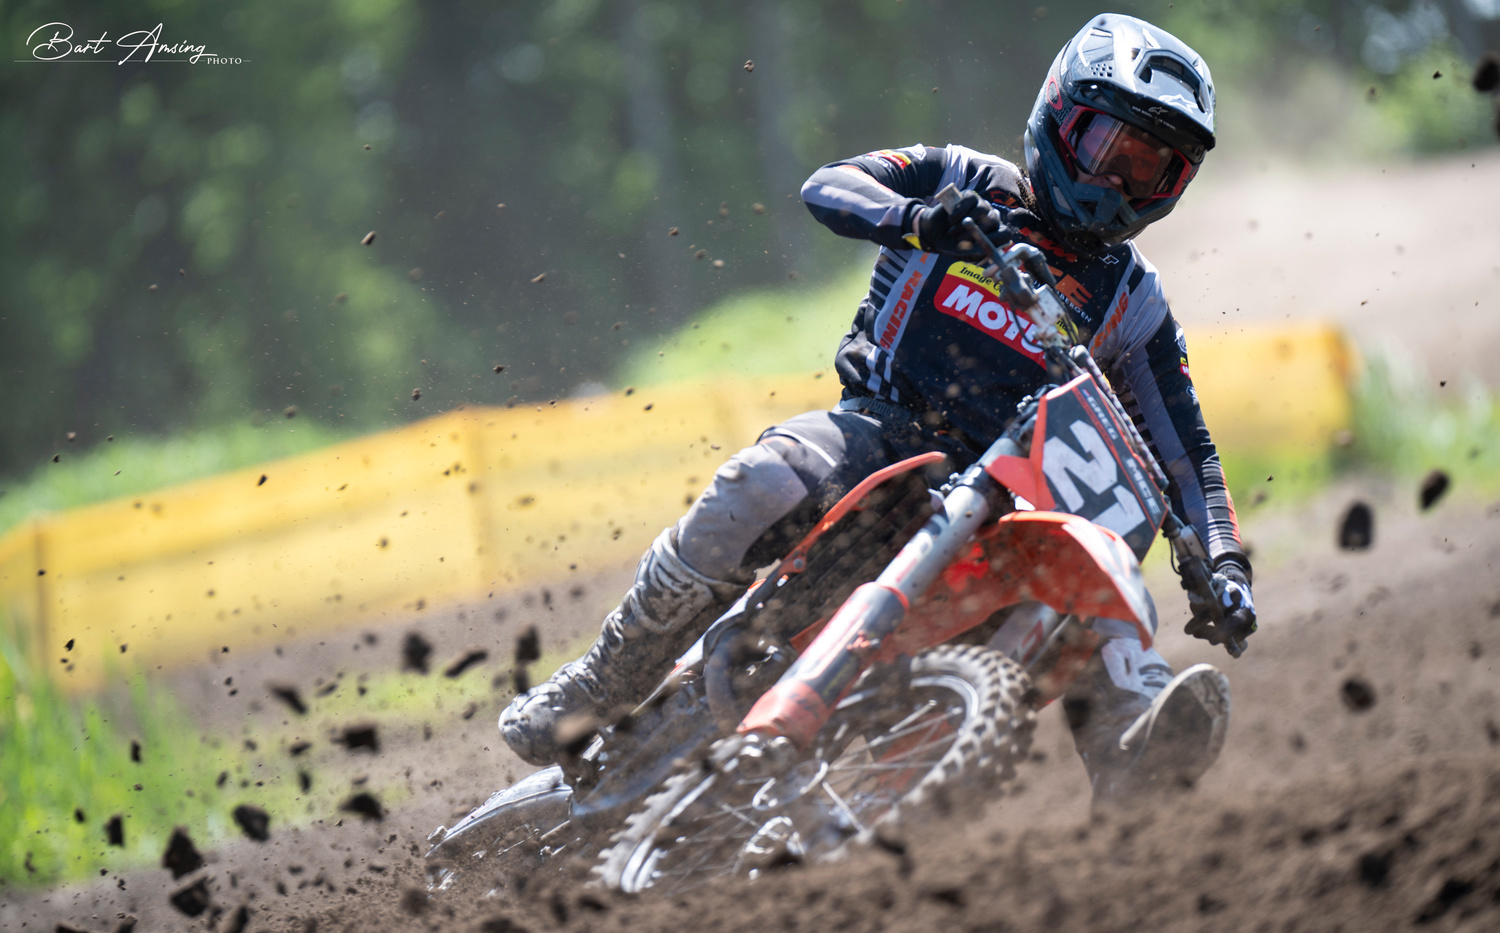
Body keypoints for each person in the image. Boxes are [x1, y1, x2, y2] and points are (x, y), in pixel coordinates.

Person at [501, 13, 1256, 803]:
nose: (1121, 184)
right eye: (1111, 151)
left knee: (1091, 577)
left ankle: (1132, 748)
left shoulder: (1134, 300)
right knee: (762, 479)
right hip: (885, 439)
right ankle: (602, 681)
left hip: (1012, 509)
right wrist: (918, 220)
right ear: (1059, 116)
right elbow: (827, 184)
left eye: (1152, 170)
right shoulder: (963, 180)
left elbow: (1189, 456)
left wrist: (1225, 565)